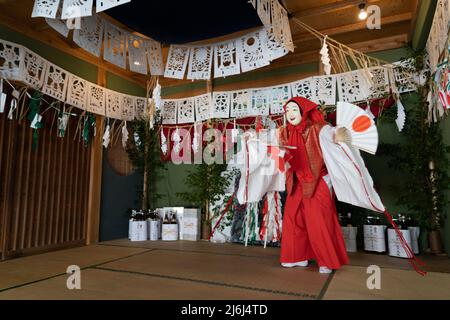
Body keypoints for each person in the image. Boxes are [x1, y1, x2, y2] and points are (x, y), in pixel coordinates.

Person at [279, 97, 351, 274]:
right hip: (296, 180)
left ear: (303, 110)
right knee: (292, 217)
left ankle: (326, 259)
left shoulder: (320, 128)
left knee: (318, 220)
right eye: (287, 110)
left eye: (294, 109)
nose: (290, 114)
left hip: (318, 179)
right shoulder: (285, 131)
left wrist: (340, 137)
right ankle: (296, 256)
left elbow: (338, 141)